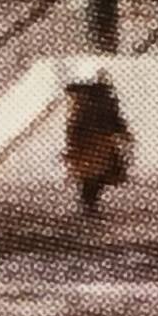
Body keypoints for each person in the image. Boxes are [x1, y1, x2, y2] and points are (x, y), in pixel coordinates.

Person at [59, 70, 132, 220]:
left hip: (93, 143)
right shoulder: (96, 101)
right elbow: (113, 118)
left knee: (93, 175)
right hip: (95, 143)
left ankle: (89, 204)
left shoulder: (86, 103)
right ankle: (89, 204)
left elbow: (76, 126)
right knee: (94, 175)